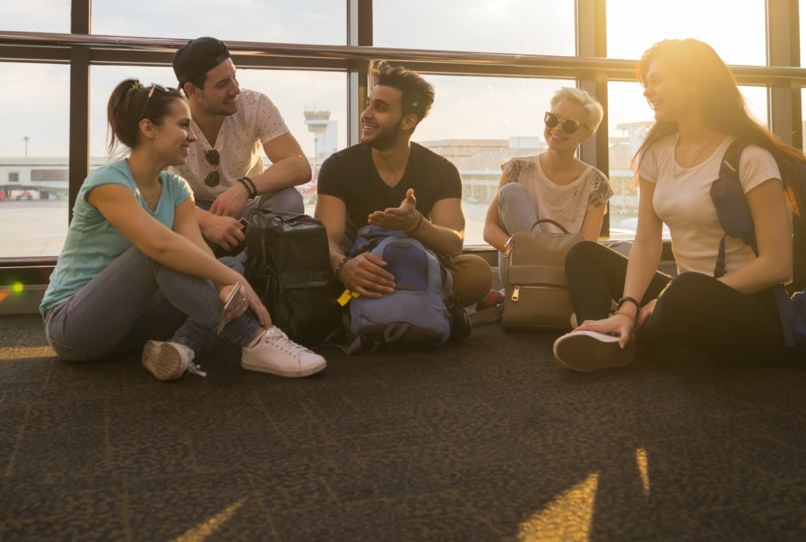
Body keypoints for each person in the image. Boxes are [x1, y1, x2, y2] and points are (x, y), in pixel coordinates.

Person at [40, 79, 326, 380]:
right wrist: (235, 279)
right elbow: (160, 245)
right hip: (74, 326)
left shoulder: (177, 188)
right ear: (149, 129)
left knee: (218, 265)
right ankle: (254, 339)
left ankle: (181, 347)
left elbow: (198, 253)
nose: (192, 136)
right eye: (183, 125)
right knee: (161, 254)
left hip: (131, 326)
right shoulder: (107, 183)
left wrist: (224, 279)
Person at [553, 38, 802, 372]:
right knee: (584, 255)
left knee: (688, 289)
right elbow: (646, 240)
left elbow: (778, 265)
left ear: (695, 83)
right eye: (646, 84)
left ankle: (641, 337)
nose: (647, 91)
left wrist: (668, 299)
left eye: (657, 80)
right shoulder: (658, 152)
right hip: (683, 295)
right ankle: (606, 333)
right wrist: (629, 306)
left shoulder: (750, 157)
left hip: (744, 308)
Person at [314, 61, 493, 327]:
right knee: (316, 276)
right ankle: (423, 310)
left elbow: (453, 242)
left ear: (408, 120)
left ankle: (378, 310)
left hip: (419, 268)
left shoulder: (441, 170)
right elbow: (326, 237)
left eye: (380, 107)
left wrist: (415, 224)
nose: (366, 114)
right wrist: (344, 268)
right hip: (361, 269)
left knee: (478, 272)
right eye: (368, 103)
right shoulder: (338, 166)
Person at [171, 37, 312, 256]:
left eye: (234, 77)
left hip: (246, 209)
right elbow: (148, 192)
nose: (235, 89)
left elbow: (300, 166)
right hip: (190, 214)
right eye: (222, 84)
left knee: (289, 199)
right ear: (192, 91)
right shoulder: (169, 117)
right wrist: (205, 220)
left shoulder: (255, 105)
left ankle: (251, 264)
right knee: (163, 216)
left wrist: (244, 188)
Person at [483, 87, 613, 293]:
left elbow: (587, 247)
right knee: (512, 192)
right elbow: (489, 230)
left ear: (586, 134)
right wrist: (518, 251)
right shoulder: (517, 168)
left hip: (566, 268)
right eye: (552, 119)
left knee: (627, 251)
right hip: (522, 265)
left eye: (570, 125)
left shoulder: (596, 183)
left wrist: (552, 260)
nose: (558, 129)